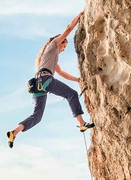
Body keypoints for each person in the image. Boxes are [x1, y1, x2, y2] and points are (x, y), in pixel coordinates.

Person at [7, 11, 94, 148]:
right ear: (60, 42)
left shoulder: (48, 58)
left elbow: (61, 73)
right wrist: (80, 15)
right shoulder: (53, 44)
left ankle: (14, 132)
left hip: (38, 84)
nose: (63, 50)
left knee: (37, 116)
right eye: (64, 46)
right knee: (71, 94)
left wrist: (77, 79)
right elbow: (68, 28)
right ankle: (81, 123)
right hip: (45, 80)